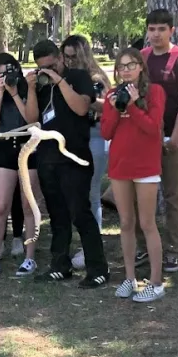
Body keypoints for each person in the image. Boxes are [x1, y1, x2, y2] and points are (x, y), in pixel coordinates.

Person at [23, 39, 108, 288]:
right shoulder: (40, 86)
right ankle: (60, 264)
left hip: (75, 157)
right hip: (48, 157)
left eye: (51, 65)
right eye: (42, 67)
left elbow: (82, 108)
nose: (47, 71)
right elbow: (31, 120)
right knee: (58, 216)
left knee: (80, 213)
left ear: (60, 58)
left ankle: (98, 268)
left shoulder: (79, 76)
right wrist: (30, 89)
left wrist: (59, 81)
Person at [102, 48, 166, 302]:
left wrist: (133, 105)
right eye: (121, 67)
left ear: (141, 67)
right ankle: (130, 278)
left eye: (131, 65)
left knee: (147, 223)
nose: (126, 70)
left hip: (146, 167)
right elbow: (107, 132)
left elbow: (152, 128)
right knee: (126, 222)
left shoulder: (155, 92)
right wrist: (116, 108)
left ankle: (157, 282)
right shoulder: (111, 95)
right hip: (120, 166)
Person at [141, 9, 178, 273]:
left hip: (176, 138)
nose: (156, 34)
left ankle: (172, 250)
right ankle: (146, 247)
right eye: (152, 29)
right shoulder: (142, 58)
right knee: (143, 195)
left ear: (172, 31)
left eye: (161, 29)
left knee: (174, 196)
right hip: (146, 138)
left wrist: (175, 137)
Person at [0, 53, 38, 277]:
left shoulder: (26, 90)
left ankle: (30, 257)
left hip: (28, 148)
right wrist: (1, 92)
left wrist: (14, 93)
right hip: (4, 149)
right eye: (2, 73)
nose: (8, 76)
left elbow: (30, 119)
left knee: (27, 204)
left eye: (11, 71)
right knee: (1, 205)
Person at [62, 35, 111, 271]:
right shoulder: (64, 75)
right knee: (72, 192)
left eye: (74, 56)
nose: (70, 61)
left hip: (94, 136)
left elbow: (106, 105)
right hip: (70, 138)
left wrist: (85, 99)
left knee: (91, 193)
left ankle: (90, 246)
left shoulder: (96, 78)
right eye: (66, 56)